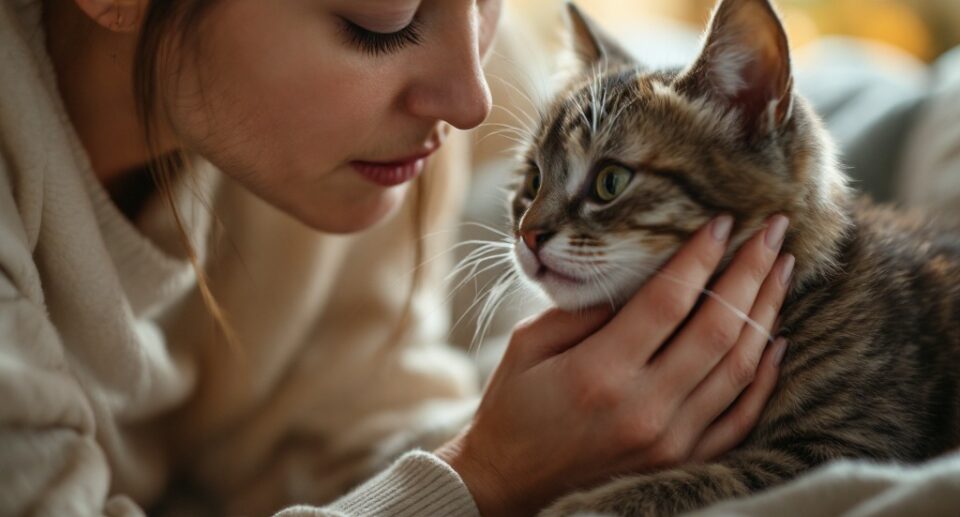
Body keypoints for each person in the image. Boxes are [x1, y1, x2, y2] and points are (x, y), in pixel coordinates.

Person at [0, 0, 793, 515]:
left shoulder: (367, 149)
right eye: (381, 25)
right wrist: (488, 472)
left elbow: (339, 432)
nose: (471, 101)